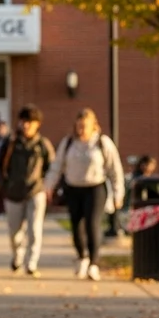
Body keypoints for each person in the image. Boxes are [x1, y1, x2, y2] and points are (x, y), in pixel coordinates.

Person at [44, 108, 126, 281]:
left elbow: (115, 170)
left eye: (85, 126)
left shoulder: (102, 143)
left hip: (95, 188)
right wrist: (48, 186)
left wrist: (119, 193)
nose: (81, 129)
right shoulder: (68, 143)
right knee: (76, 225)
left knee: (92, 224)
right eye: (79, 126)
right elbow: (57, 166)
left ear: (93, 126)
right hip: (73, 188)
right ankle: (82, 257)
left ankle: (94, 264)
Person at [0, 104, 54, 277]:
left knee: (35, 229)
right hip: (13, 193)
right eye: (23, 121)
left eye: (30, 122)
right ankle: (17, 257)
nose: (26, 125)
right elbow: (0, 165)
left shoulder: (43, 145)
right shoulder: (11, 143)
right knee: (15, 233)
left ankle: (32, 263)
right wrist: (4, 186)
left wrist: (47, 185)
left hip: (35, 191)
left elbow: (52, 166)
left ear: (37, 124)